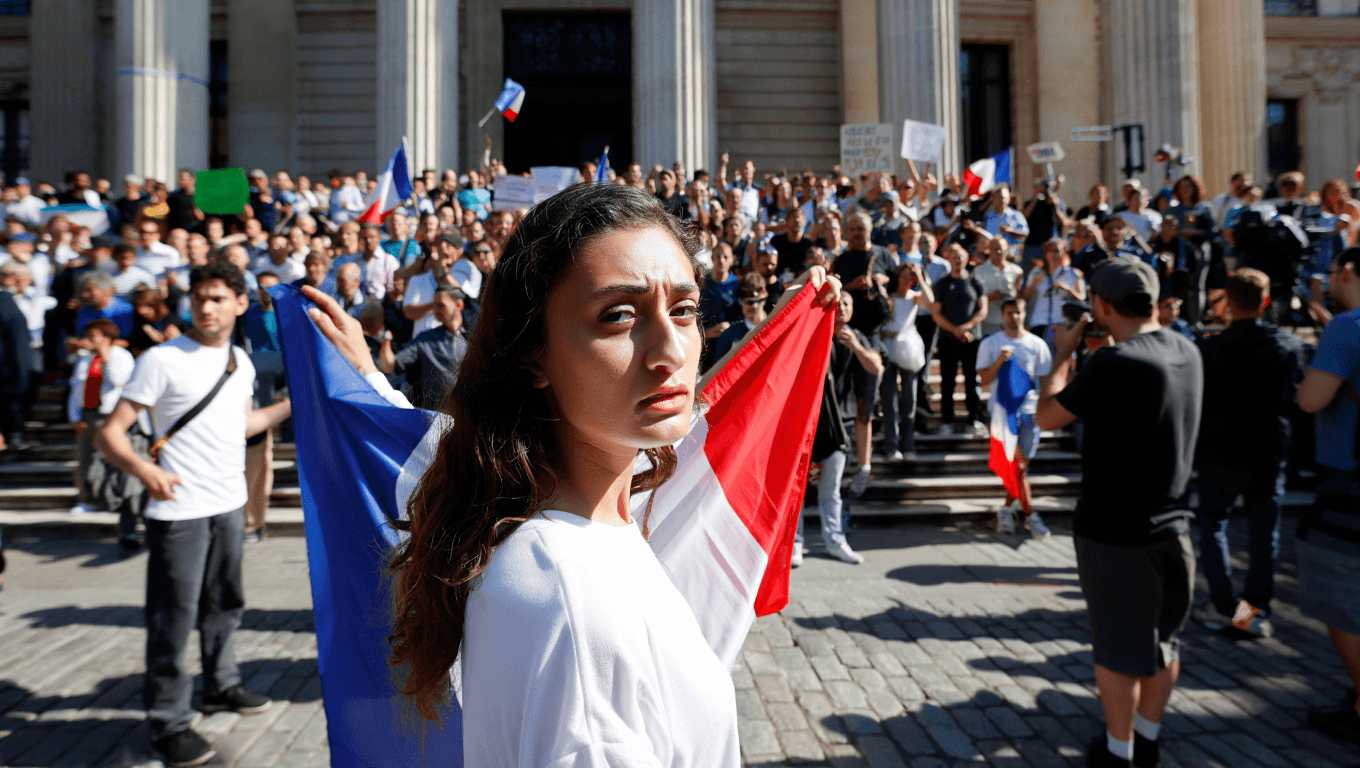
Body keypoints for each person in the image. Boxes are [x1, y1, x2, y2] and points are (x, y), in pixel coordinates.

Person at [301, 182, 840, 766]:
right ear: (533, 354)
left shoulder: (594, 520)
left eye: (684, 310)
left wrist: (783, 326)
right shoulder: (570, 602)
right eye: (619, 315)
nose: (671, 351)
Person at [96, 261, 293, 767]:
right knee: (173, 618)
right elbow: (111, 432)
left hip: (228, 503)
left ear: (240, 304)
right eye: (200, 298)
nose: (207, 307)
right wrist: (145, 470)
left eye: (218, 298)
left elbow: (241, 424)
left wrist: (296, 403)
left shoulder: (239, 360)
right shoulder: (161, 359)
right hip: (178, 510)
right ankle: (168, 721)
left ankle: (220, 685)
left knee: (225, 604)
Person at [1034, 258, 1202, 768]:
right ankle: (1147, 739)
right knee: (1165, 643)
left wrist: (1062, 357)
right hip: (1175, 524)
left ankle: (1118, 752)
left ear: (1101, 306)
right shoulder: (1187, 350)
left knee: (1117, 650)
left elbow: (1047, 416)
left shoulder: (1113, 363)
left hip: (1116, 532)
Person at [1192, 269, 1303, 638]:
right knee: (1262, 534)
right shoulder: (1287, 345)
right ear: (1266, 301)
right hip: (1268, 449)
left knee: (1213, 524)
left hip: (1222, 448)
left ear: (1228, 302)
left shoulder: (1210, 346)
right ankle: (1250, 615)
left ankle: (1225, 605)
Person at [1294, 246, 1360, 745]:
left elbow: (1311, 399)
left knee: (1340, 596)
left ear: (1349, 273)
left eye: (1333, 272)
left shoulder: (1347, 327)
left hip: (1349, 481)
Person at [794, 290, 882, 566]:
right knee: (798, 488)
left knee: (831, 489)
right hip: (807, 424)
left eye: (847, 303)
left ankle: (834, 540)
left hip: (839, 426)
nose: (842, 307)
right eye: (838, 302)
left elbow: (876, 367)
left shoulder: (857, 337)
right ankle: (794, 543)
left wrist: (855, 346)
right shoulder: (815, 330)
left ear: (853, 309)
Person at [977, 298, 1053, 537]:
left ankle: (1006, 511)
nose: (1014, 317)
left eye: (1018, 312)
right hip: (1002, 412)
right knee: (1015, 467)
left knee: (1019, 468)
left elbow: (1046, 380)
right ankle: (1030, 515)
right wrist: (1000, 360)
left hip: (1030, 412)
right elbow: (984, 379)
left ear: (1024, 313)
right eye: (1009, 313)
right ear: (1002, 315)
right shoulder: (991, 343)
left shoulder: (1037, 344)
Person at [930, 244, 988, 436]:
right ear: (948, 259)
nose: (957, 260)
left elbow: (983, 309)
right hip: (948, 340)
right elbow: (936, 314)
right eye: (953, 257)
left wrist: (967, 327)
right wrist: (955, 330)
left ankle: (974, 420)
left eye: (960, 257)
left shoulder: (976, 282)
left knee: (972, 381)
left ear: (967, 259)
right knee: (948, 382)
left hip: (972, 340)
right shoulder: (942, 284)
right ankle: (947, 421)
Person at [879, 261, 934, 461]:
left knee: (909, 399)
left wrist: (921, 277)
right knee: (889, 399)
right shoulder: (889, 296)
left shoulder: (915, 297)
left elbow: (930, 302)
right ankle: (892, 446)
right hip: (888, 347)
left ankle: (908, 445)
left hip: (908, 349)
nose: (906, 279)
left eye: (910, 276)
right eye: (903, 274)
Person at [380, 285, 469, 408]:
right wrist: (385, 342)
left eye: (441, 305)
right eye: (434, 305)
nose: (435, 310)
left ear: (459, 305)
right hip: (434, 413)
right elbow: (390, 367)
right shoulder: (426, 339)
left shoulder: (476, 335)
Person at [709, 272, 767, 364]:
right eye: (743, 301)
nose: (749, 307)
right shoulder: (729, 335)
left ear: (763, 300)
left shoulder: (775, 329)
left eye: (752, 302)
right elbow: (719, 371)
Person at [0, 287, 30, 451]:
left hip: (8, 371)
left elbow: (18, 344)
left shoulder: (5, 305)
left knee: (11, 404)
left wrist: (20, 372)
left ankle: (13, 435)